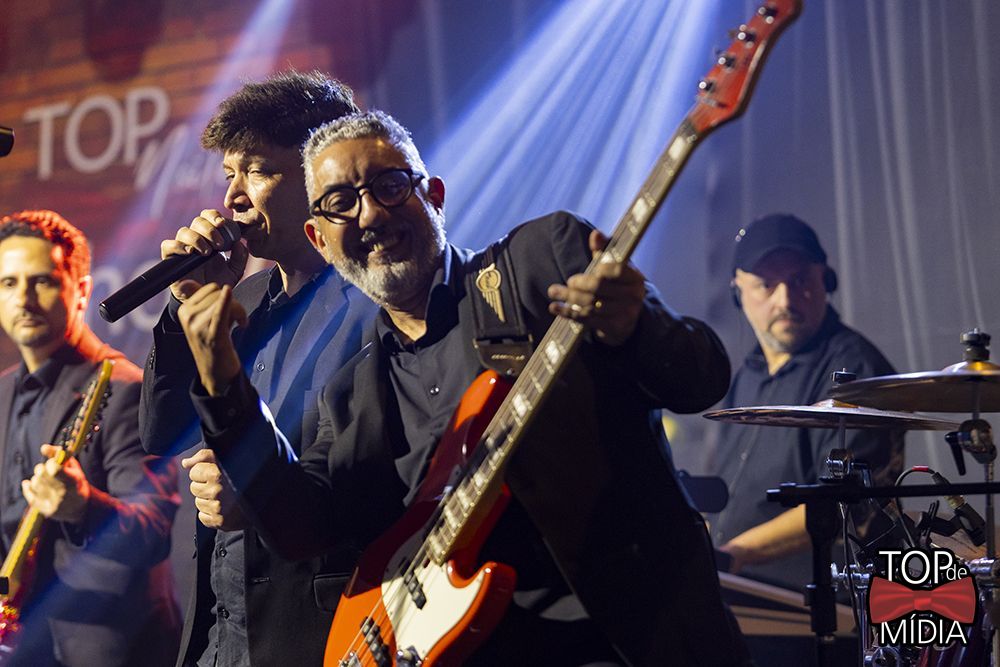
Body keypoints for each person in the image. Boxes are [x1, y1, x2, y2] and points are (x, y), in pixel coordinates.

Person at [176, 109, 751, 665]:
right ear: (319, 239)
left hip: (626, 641)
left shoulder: (538, 263)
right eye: (340, 204)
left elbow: (701, 379)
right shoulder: (350, 394)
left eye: (390, 186)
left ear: (435, 196)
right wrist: (225, 389)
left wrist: (636, 327)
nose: (370, 215)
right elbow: (300, 526)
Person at [138, 72, 377, 666]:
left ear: (320, 175)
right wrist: (187, 306)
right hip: (219, 641)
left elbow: (373, 470)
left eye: (258, 171)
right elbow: (162, 433)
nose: (233, 198)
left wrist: (257, 486)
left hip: (314, 634)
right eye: (229, 175)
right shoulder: (245, 300)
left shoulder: (374, 302)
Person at [0, 209, 180, 666]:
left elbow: (154, 530)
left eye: (41, 281)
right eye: (8, 283)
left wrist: (83, 506)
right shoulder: (2, 392)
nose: (23, 298)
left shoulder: (124, 387)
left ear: (81, 290)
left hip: (108, 648)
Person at [707, 213, 904, 591]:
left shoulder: (854, 369)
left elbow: (845, 503)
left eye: (799, 281)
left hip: (815, 599)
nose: (785, 300)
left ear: (825, 281)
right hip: (739, 588)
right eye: (766, 284)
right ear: (737, 292)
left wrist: (734, 553)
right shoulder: (747, 375)